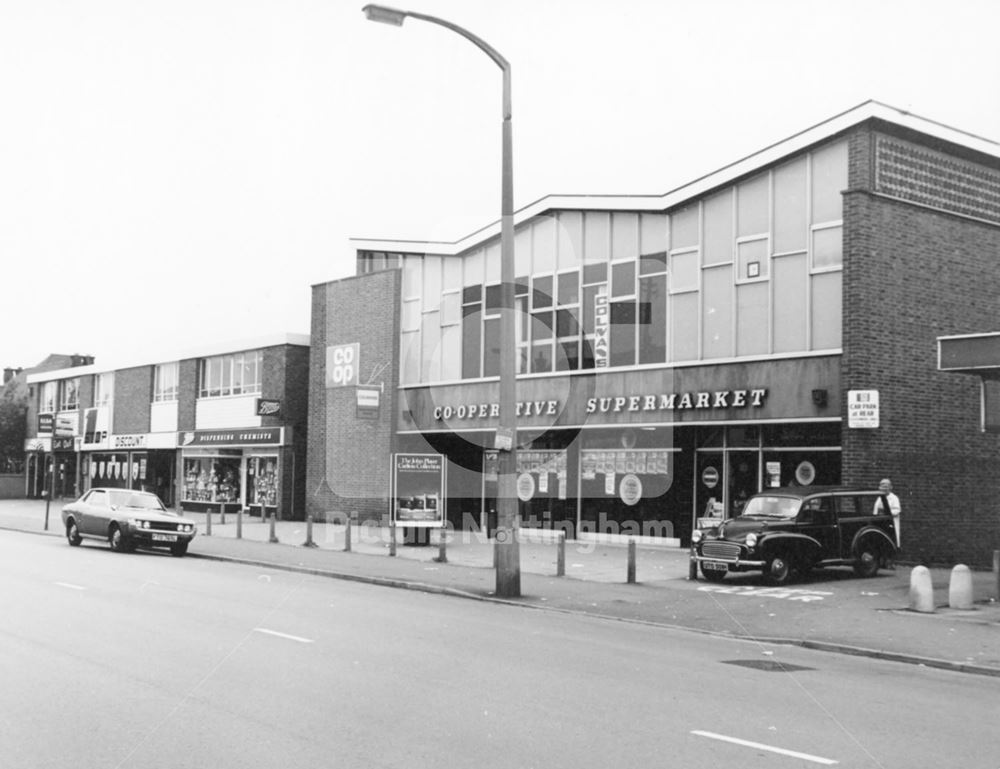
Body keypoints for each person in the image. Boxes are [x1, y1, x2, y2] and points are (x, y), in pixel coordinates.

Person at [874, 477, 902, 553]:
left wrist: (887, 513)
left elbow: (897, 510)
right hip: (880, 522)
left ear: (890, 487)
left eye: (886, 487)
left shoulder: (894, 498)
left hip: (889, 522)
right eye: (882, 486)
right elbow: (876, 510)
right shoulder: (879, 498)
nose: (884, 489)